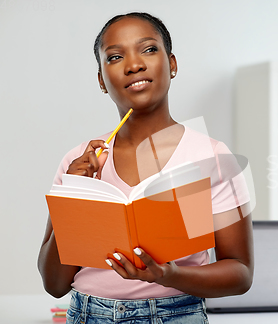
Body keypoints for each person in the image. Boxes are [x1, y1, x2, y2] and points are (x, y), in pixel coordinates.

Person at [37, 12, 254, 324]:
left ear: (173, 64)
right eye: (114, 57)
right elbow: (54, 284)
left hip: (177, 315)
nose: (134, 64)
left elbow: (241, 273)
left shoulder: (212, 157)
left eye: (149, 49)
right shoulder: (77, 163)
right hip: (88, 315)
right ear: (102, 80)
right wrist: (75, 194)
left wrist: (168, 274)